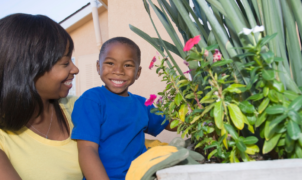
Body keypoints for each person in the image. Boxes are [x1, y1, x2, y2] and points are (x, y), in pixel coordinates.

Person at [71, 37, 173, 180]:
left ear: (138, 72)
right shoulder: (92, 101)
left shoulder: (142, 104)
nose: (118, 71)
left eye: (128, 65)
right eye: (110, 63)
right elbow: (87, 150)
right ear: (98, 67)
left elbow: (172, 123)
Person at [0, 14, 82, 180]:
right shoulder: (4, 138)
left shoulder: (78, 107)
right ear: (28, 70)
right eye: (65, 63)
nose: (75, 69)